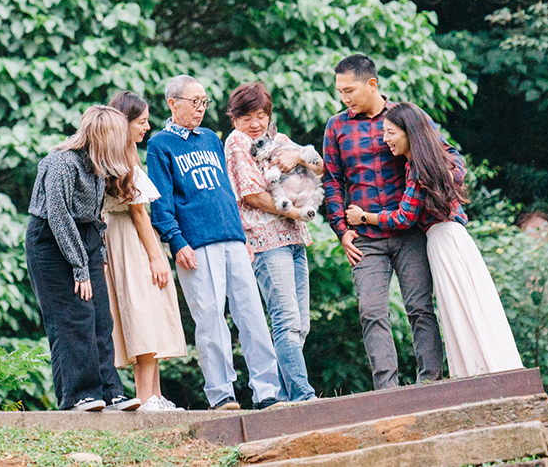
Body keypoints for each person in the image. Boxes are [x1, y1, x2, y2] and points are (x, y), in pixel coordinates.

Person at [345, 102, 524, 378]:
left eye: (391, 132)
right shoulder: (435, 161)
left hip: (443, 240)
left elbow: (404, 217)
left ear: (409, 132)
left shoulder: (418, 169)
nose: (385, 140)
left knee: (460, 306)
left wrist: (364, 217)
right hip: (453, 238)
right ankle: (484, 369)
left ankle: (478, 373)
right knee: (467, 305)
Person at [146, 75, 282, 411]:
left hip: (232, 238)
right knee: (210, 320)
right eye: (194, 102)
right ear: (172, 103)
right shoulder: (160, 145)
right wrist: (177, 242)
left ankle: (268, 392)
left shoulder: (209, 138)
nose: (201, 108)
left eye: (204, 102)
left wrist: (242, 233)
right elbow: (160, 202)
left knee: (252, 315)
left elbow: (226, 191)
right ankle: (222, 395)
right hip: (195, 244)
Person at [321, 54, 444, 389]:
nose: (344, 99)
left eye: (349, 91)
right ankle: (387, 390)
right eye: (340, 92)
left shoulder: (405, 117)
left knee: (420, 307)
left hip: (408, 231)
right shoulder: (337, 126)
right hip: (365, 238)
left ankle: (430, 382)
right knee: (371, 311)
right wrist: (341, 231)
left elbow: (441, 155)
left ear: (371, 84)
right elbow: (332, 181)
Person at [25, 105, 141, 411]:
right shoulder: (60, 163)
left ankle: (109, 390)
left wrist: (96, 255)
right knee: (72, 317)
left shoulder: (97, 166)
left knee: (101, 316)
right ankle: (78, 395)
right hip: (50, 243)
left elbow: (94, 217)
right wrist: (80, 268)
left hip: (85, 238)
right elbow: (59, 217)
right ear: (103, 137)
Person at [222, 81, 316, 402]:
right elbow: (251, 193)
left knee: (301, 323)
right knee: (286, 319)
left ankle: (294, 396)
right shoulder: (236, 142)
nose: (255, 124)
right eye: (247, 116)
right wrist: (294, 210)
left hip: (294, 237)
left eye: (261, 115)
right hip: (266, 240)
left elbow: (318, 165)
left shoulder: (276, 138)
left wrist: (296, 156)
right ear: (234, 118)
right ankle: (302, 396)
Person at [102, 92, 188, 412]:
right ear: (124, 124)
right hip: (131, 239)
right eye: (141, 122)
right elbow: (139, 213)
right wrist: (156, 257)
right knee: (143, 314)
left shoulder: (121, 155)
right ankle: (147, 397)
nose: (147, 127)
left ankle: (154, 394)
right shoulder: (122, 159)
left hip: (125, 237)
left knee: (147, 313)